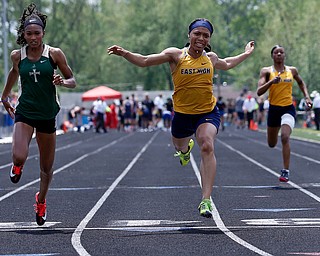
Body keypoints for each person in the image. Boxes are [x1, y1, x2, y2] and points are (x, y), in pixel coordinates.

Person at [108, 18, 255, 218]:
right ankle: (184, 151)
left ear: (209, 38)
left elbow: (228, 63)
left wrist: (246, 54)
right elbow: (144, 61)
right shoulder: (175, 55)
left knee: (207, 144)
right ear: (189, 35)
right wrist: (124, 53)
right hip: (183, 115)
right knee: (179, 145)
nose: (201, 38)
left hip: (207, 112)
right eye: (197, 34)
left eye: (205, 35)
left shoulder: (210, 58)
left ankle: (206, 200)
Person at [0, 3, 76, 226]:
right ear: (23, 34)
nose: (33, 37)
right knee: (19, 155)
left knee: (46, 167)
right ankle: (18, 165)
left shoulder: (54, 54)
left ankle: (41, 200)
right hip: (25, 112)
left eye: (37, 33)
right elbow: (13, 76)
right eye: (29, 33)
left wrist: (63, 81)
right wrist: (4, 97)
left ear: (43, 33)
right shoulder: (17, 56)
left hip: (47, 115)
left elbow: (73, 80)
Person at [257, 45, 312, 182]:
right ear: (272, 56)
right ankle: (273, 137)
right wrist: (271, 82)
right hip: (274, 109)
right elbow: (259, 91)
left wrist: (307, 97)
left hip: (288, 108)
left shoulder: (291, 71)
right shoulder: (267, 71)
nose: (279, 54)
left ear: (284, 55)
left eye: (281, 52)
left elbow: (301, 82)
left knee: (285, 137)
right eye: (276, 52)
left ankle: (285, 171)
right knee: (271, 143)